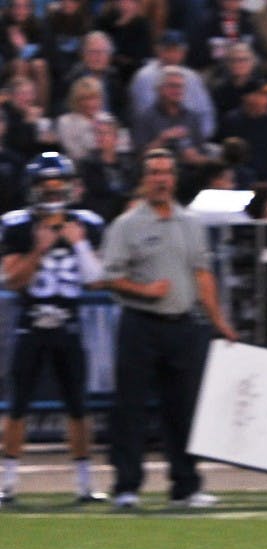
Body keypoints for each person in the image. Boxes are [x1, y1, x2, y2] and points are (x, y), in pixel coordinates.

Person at [100, 148, 237, 509]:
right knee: (130, 409)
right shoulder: (126, 225)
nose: (161, 179)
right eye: (154, 172)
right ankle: (127, 486)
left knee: (184, 408)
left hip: (183, 325)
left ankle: (186, 486)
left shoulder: (191, 223)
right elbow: (108, 277)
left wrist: (220, 322)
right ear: (144, 180)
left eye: (166, 172)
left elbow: (203, 276)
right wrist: (144, 290)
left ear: (174, 179)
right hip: (140, 324)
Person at [0, 152, 105, 506]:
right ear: (33, 189)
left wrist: (77, 243)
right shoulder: (17, 226)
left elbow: (95, 280)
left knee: (78, 405)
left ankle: (83, 485)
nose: (52, 191)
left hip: (69, 324)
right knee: (18, 407)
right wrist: (39, 251)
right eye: (46, 186)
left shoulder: (85, 224)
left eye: (58, 185)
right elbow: (11, 280)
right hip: (31, 325)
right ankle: (7, 484)